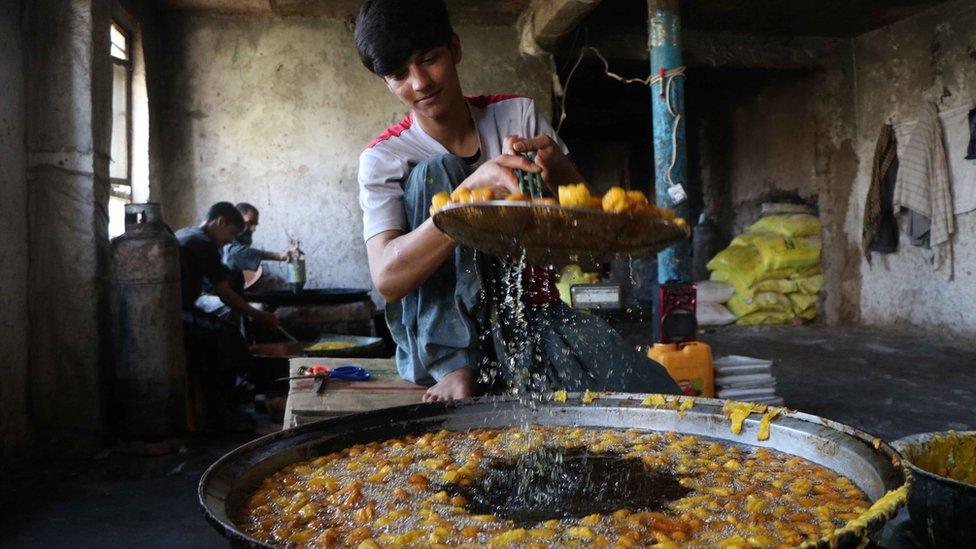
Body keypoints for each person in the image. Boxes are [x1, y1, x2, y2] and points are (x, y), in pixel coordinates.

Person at [354, 0, 679, 402]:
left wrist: (556, 167)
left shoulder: (516, 115)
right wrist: (467, 197)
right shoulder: (385, 157)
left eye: (429, 59)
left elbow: (593, 248)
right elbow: (387, 279)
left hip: (527, 317)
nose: (419, 82)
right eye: (399, 74)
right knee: (436, 173)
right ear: (386, 82)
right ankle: (456, 366)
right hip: (436, 344)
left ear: (454, 49)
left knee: (655, 393)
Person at [176, 201, 281, 430]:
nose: (231, 240)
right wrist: (260, 315)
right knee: (228, 337)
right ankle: (222, 413)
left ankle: (228, 405)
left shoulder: (187, 233)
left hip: (179, 308)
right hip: (178, 312)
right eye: (232, 233)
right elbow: (224, 294)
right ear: (220, 222)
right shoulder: (203, 243)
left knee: (226, 333)